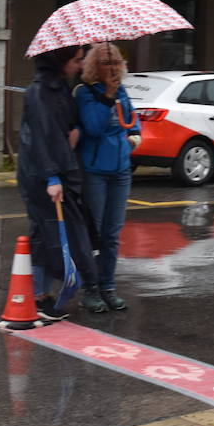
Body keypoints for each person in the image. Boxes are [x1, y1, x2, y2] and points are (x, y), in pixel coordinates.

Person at [16, 44, 100, 321]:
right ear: (61, 59)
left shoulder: (60, 87)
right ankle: (40, 297)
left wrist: (74, 128)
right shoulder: (41, 91)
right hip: (42, 177)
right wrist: (51, 177)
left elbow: (64, 126)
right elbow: (41, 137)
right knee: (49, 237)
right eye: (76, 59)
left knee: (45, 236)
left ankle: (41, 295)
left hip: (56, 172)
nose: (79, 65)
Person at [74, 42, 141, 313]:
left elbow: (132, 120)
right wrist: (108, 96)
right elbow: (92, 127)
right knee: (96, 234)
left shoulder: (122, 90)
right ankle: (90, 288)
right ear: (93, 66)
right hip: (95, 172)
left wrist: (134, 137)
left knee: (112, 235)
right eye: (105, 63)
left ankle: (108, 287)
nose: (112, 68)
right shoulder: (84, 93)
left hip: (121, 170)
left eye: (115, 63)